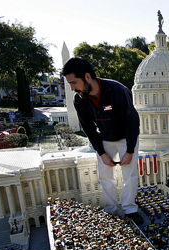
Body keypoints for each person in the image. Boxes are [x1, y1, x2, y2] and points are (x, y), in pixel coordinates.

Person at [61, 57, 143, 225]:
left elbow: (132, 121)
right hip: (104, 138)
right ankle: (112, 210)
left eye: (74, 83)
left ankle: (130, 209)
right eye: (69, 84)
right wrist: (102, 153)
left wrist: (129, 150)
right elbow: (88, 129)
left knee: (130, 176)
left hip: (126, 137)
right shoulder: (79, 99)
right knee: (105, 177)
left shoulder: (118, 91)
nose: (72, 88)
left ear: (87, 77)